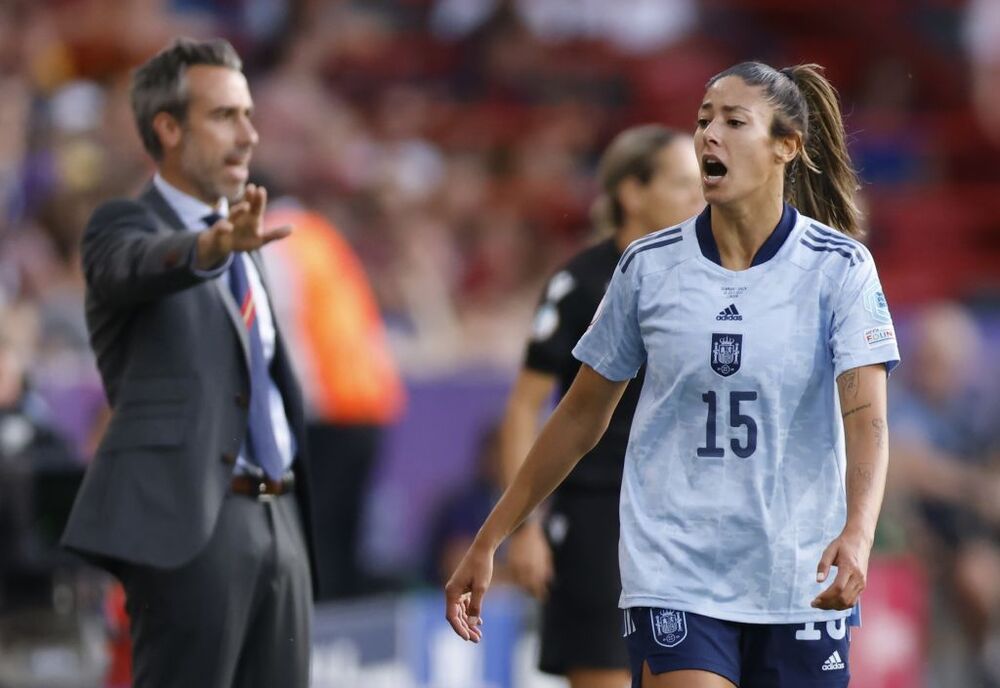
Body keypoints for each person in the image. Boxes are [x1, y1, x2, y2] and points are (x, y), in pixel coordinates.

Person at [446, 61, 901, 688]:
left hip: (799, 574)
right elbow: (578, 415)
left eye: (734, 121)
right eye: (703, 120)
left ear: (785, 147)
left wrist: (858, 531)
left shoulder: (840, 269)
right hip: (677, 572)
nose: (709, 134)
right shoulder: (648, 268)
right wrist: (493, 536)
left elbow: (866, 415)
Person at [60, 38, 314, 688]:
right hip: (193, 528)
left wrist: (228, 243)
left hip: (278, 518)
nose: (248, 135)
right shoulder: (123, 226)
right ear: (168, 127)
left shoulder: (246, 238)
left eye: (250, 115)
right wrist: (209, 246)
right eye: (225, 115)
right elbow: (132, 267)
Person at [498, 124, 702, 688]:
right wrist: (525, 525)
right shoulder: (581, 283)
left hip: (685, 517)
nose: (698, 197)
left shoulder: (712, 282)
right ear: (631, 193)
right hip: (597, 517)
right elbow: (524, 408)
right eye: (683, 184)